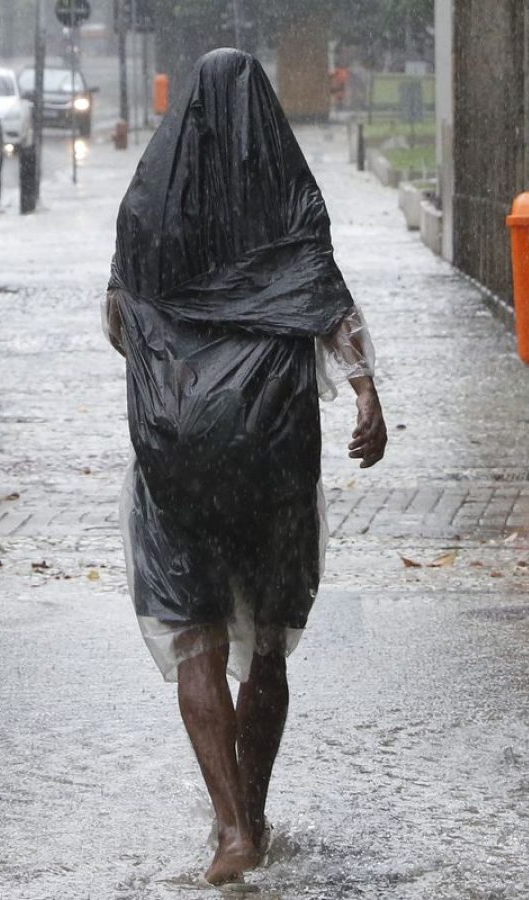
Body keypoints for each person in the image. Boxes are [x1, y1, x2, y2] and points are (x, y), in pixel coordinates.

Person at [103, 48, 386, 886]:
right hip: (274, 451)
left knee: (195, 634)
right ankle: (255, 810)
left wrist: (188, 361)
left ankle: (231, 830)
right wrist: (366, 395)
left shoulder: (149, 207)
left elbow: (119, 322)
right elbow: (328, 303)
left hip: (179, 454)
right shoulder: (287, 197)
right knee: (266, 644)